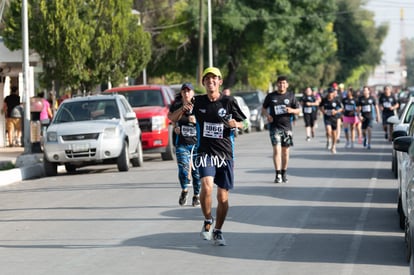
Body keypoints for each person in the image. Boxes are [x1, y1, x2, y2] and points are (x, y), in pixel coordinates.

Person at [192, 67, 246, 246]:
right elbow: (178, 113)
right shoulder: (197, 101)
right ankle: (208, 220)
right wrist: (179, 121)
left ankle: (218, 230)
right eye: (207, 79)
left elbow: (244, 122)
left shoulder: (229, 101)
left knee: (223, 197)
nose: (211, 81)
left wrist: (236, 123)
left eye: (214, 78)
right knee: (206, 187)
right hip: (205, 152)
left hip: (225, 154)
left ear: (220, 82)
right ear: (203, 83)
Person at [167, 83, 201, 207]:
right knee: (183, 169)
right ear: (181, 93)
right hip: (182, 142)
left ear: (192, 93)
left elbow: (206, 119)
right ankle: (184, 190)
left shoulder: (199, 104)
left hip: (197, 144)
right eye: (184, 91)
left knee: (197, 172)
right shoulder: (176, 104)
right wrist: (176, 124)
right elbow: (171, 118)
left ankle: (196, 195)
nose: (186, 93)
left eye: (189, 91)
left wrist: (196, 121)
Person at [262, 76, 301, 183]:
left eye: (283, 83)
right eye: (279, 83)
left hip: (287, 129)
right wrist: (268, 116)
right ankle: (277, 174)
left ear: (287, 85)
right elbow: (263, 109)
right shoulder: (271, 96)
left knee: (285, 152)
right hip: (274, 127)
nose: (281, 85)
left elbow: (298, 110)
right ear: (277, 84)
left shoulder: (291, 96)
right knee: (276, 150)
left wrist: (291, 110)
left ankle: (284, 172)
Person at [320, 87, 343, 154]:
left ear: (333, 93)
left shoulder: (336, 100)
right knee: (328, 130)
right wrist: (323, 111)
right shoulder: (324, 99)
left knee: (334, 133)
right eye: (329, 92)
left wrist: (336, 111)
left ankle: (333, 146)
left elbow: (341, 108)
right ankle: (328, 140)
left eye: (331, 93)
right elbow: (320, 106)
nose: (330, 94)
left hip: (334, 118)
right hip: (327, 117)